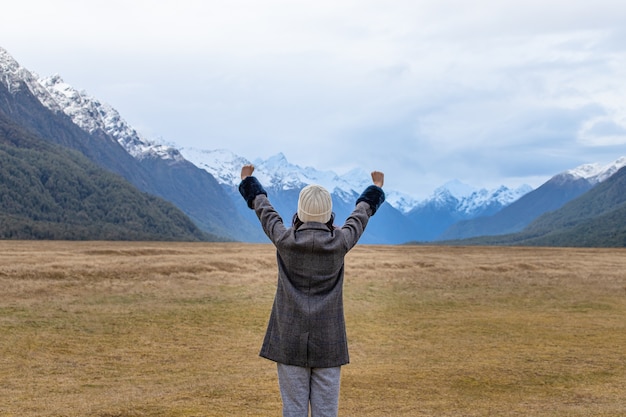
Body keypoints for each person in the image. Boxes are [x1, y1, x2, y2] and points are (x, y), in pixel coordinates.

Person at [238, 164, 385, 417]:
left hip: (289, 341)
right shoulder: (340, 242)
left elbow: (264, 210)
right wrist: (376, 188)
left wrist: (248, 181)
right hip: (329, 343)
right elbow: (361, 214)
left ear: (300, 212)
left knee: (293, 411)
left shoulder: (285, 240)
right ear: (329, 213)